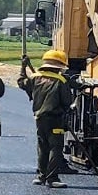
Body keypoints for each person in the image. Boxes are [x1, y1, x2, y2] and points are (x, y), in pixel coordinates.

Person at [20, 49, 73, 187]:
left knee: (42, 147)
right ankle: (52, 178)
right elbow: (67, 101)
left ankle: (41, 176)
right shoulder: (61, 80)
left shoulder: (34, 77)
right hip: (55, 119)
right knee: (55, 148)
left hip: (39, 118)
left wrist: (23, 67)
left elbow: (21, 83)